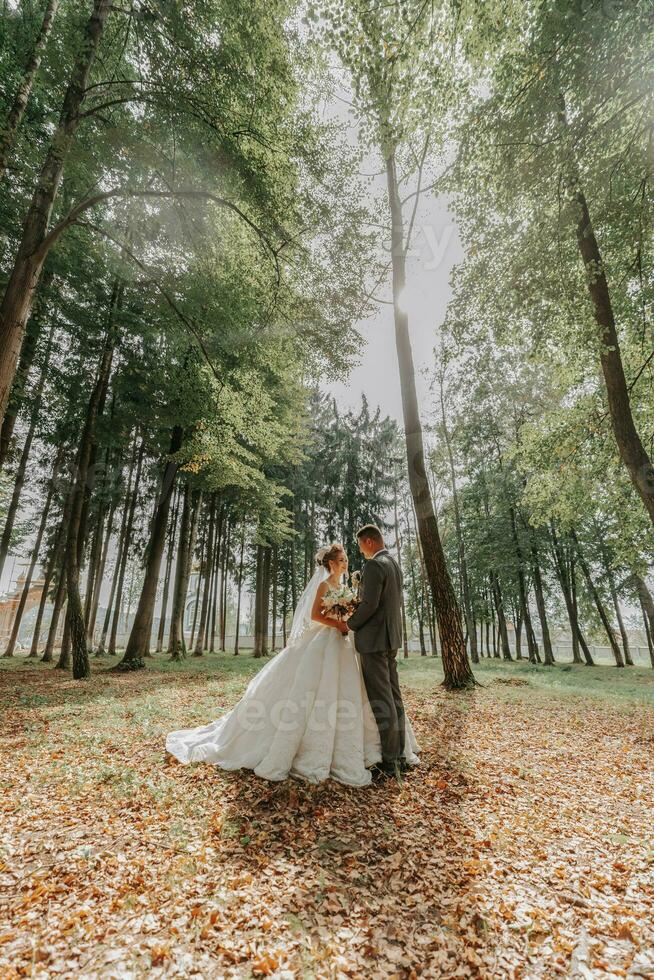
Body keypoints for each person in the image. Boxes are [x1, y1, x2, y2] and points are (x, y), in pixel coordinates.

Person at [165, 542, 419, 786]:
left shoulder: (343, 585)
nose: (345, 564)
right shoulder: (323, 584)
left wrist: (347, 619)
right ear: (331, 563)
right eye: (341, 560)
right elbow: (316, 616)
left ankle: (361, 748)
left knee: (350, 691)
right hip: (324, 640)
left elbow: (352, 611)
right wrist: (339, 623)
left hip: (344, 641)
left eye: (346, 560)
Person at [347, 524, 409, 780]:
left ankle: (391, 760)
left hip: (374, 642)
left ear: (370, 542)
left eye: (361, 547)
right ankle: (400, 756)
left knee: (382, 700)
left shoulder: (374, 565)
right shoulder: (393, 563)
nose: (362, 552)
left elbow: (370, 604)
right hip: (391, 639)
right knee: (394, 697)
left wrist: (349, 624)